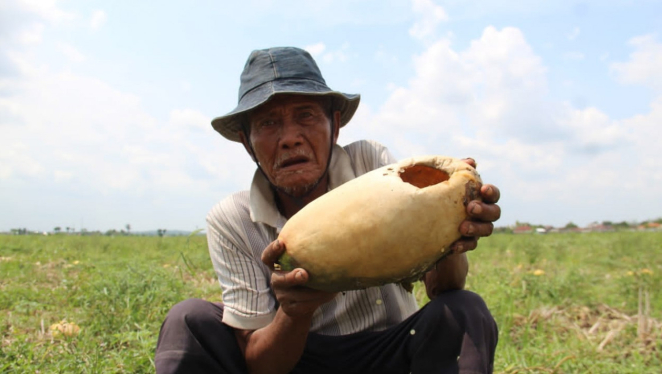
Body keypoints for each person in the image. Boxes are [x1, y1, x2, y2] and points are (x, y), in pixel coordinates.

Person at [155, 47, 501, 374]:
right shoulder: (232, 218)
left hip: (392, 351)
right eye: (268, 124)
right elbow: (260, 365)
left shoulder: (371, 165)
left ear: (335, 125)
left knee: (464, 309)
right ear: (248, 143)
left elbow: (444, 289)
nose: (290, 138)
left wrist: (455, 225)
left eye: (305, 116)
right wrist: (294, 313)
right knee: (189, 320)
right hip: (297, 358)